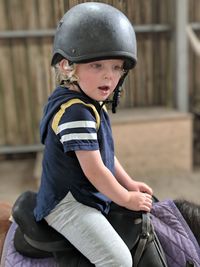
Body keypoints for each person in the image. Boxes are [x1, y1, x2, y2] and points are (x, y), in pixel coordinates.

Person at [33, 2, 153, 267]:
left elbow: (105, 156)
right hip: (68, 204)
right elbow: (95, 171)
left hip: (83, 191)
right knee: (119, 260)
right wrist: (126, 198)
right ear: (68, 67)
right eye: (97, 65)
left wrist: (129, 182)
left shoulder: (89, 104)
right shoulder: (76, 112)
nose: (109, 77)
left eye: (117, 67)